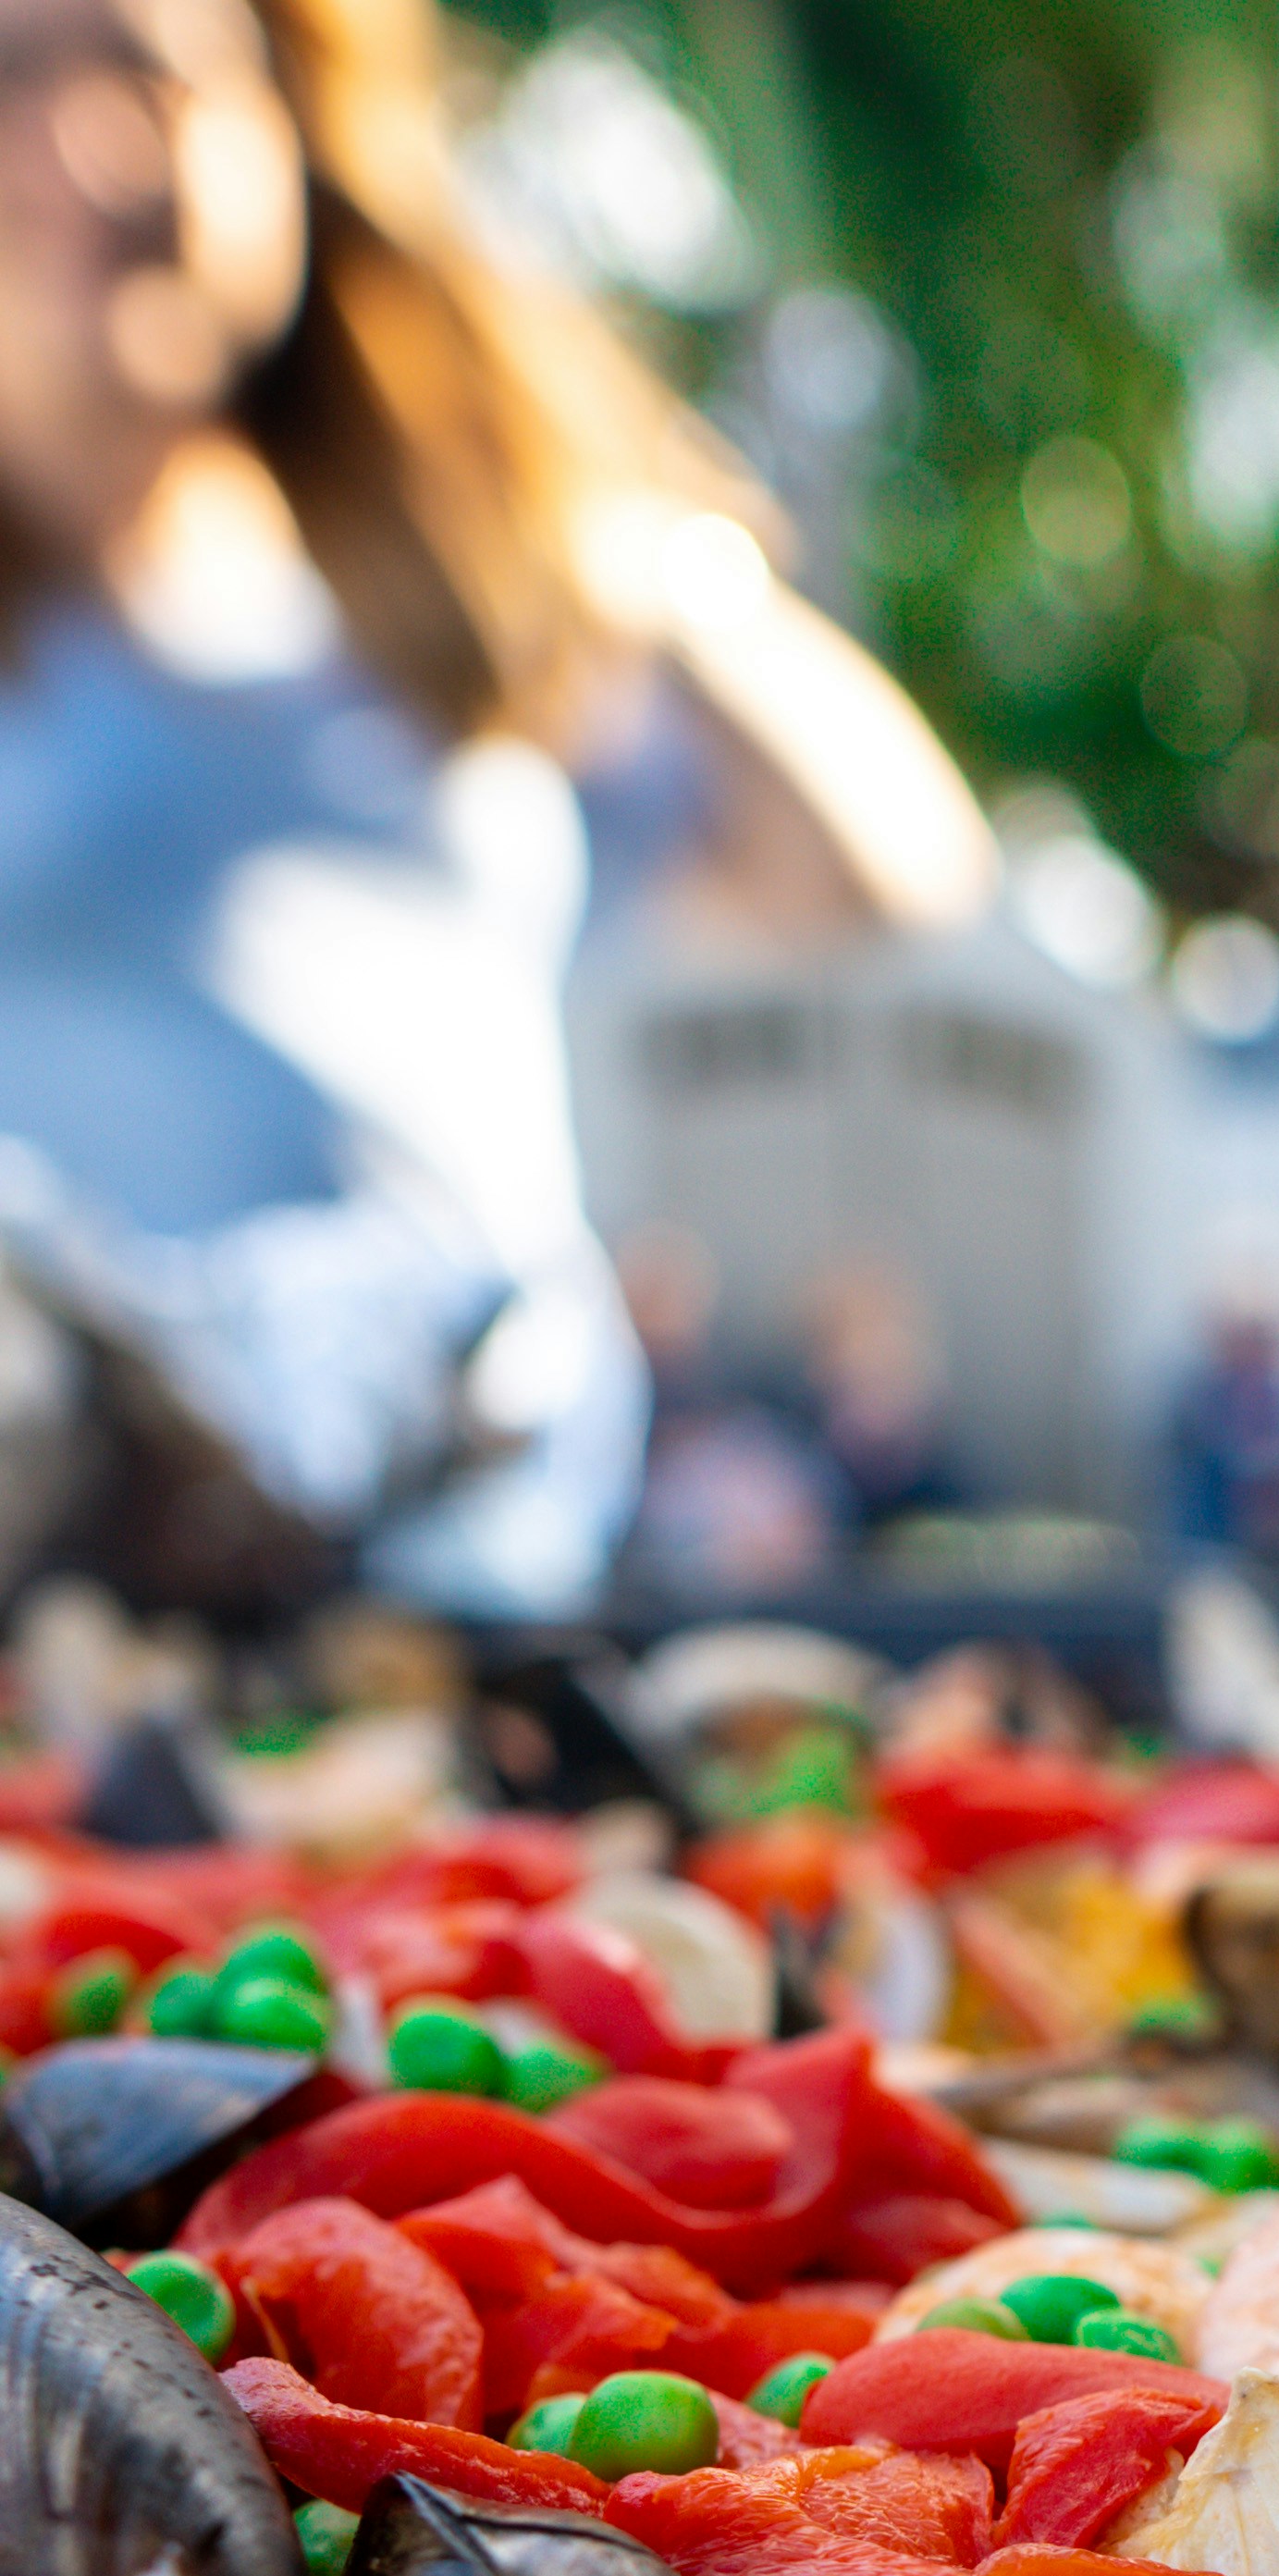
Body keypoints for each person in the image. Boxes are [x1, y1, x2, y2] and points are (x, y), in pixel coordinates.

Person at [0, 0, 988, 1613]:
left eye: (151, 75)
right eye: (9, 76)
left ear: (293, 134)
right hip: (54, 1639)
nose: (84, 149)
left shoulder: (451, 611)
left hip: (473, 1595)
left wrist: (599, 504)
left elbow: (887, 874)